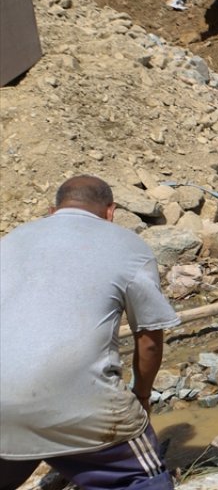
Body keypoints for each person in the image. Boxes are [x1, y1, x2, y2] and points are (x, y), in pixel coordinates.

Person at [1, 176, 180, 490]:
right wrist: (142, 396)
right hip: (80, 406)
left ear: (51, 209)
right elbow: (149, 337)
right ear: (111, 212)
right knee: (143, 480)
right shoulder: (128, 246)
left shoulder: (11, 240)